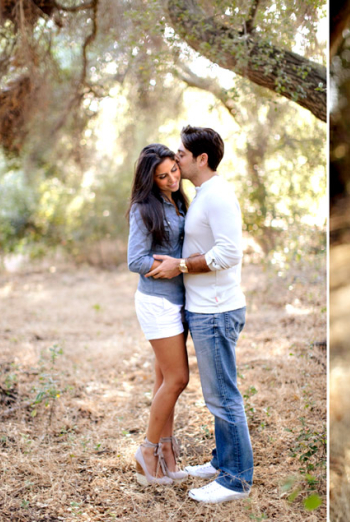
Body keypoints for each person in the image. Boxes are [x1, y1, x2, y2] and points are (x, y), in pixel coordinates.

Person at [147, 125, 253, 504]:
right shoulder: (204, 194)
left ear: (201, 159)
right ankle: (223, 461)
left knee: (223, 396)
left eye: (182, 154)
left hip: (216, 311)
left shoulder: (218, 196)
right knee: (217, 395)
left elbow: (229, 253)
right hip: (204, 309)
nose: (176, 159)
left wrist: (182, 266)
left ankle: (236, 479)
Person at [127, 143, 190, 486]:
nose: (171, 180)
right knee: (178, 379)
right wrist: (169, 265)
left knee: (164, 381)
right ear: (150, 179)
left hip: (178, 301)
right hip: (157, 303)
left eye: (174, 172)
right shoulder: (143, 208)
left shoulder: (178, 201)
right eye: (162, 177)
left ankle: (167, 454)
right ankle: (147, 451)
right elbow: (135, 260)